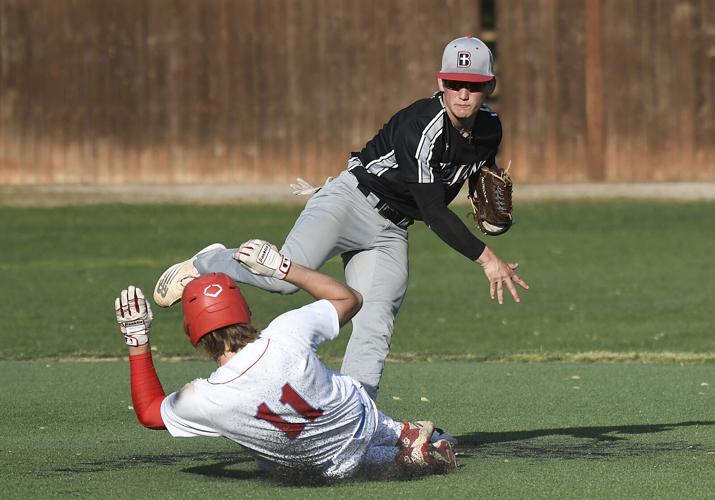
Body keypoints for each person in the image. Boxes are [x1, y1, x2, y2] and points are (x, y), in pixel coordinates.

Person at [153, 36, 528, 400]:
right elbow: (432, 210)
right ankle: (208, 261)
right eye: (455, 83)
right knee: (282, 281)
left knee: (375, 320)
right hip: (348, 203)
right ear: (440, 82)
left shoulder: (490, 129)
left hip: (391, 230)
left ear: (490, 86)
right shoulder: (421, 125)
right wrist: (487, 257)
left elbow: (479, 166)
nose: (463, 94)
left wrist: (490, 193)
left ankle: (356, 416)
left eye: (474, 85)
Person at [116, 239, 457, 482]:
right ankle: (402, 434)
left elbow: (149, 412)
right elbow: (349, 299)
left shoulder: (208, 398)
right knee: (355, 416)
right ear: (244, 312)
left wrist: (137, 339)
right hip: (358, 416)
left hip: (322, 468)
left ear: (193, 334)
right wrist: (283, 268)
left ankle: (401, 454)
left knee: (326, 459)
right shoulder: (286, 332)